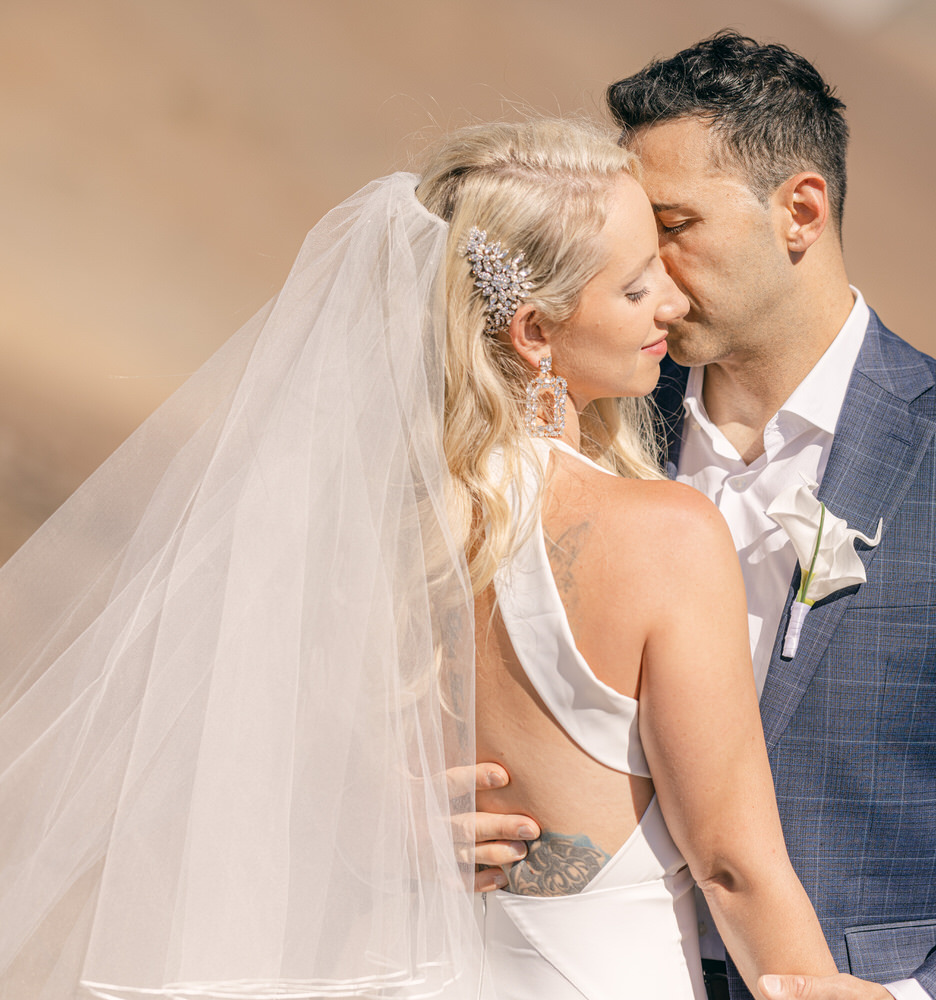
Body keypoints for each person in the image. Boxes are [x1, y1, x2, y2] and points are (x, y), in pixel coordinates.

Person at [0, 119, 834, 1000]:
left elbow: (245, 761)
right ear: (534, 334)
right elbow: (733, 865)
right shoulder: (667, 533)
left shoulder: (359, 520)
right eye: (634, 288)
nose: (671, 303)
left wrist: (377, 837)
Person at [473, 32, 936, 1000]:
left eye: (673, 224)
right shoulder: (581, 428)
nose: (647, 273)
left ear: (799, 211)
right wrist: (420, 813)